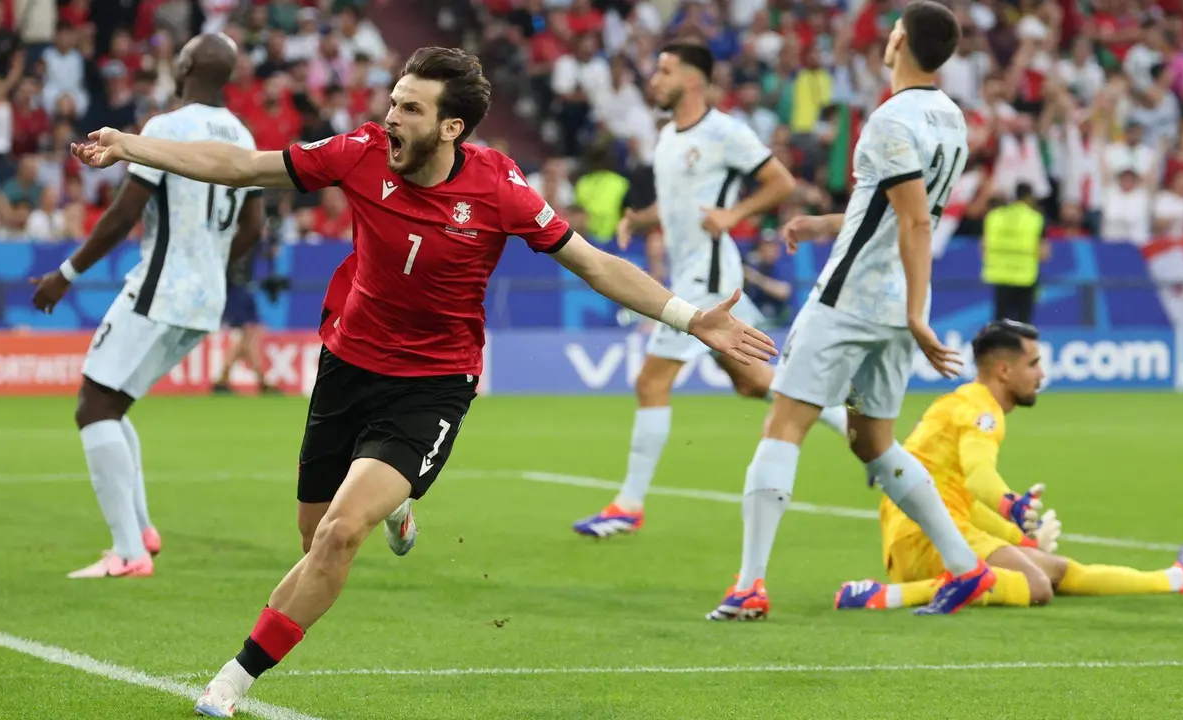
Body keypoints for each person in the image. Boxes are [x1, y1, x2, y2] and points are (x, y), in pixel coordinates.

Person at [70, 46, 775, 717]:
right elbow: (242, 165)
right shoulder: (360, 153)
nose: (390, 118)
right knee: (313, 534)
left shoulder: (499, 187)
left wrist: (691, 319)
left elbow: (593, 263)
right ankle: (399, 505)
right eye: (393, 102)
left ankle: (232, 678)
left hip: (433, 384)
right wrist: (134, 145)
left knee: (342, 534)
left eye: (409, 108)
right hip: (348, 367)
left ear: (451, 126)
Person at [705, 1, 997, 621]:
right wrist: (826, 224)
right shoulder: (952, 119)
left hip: (851, 300)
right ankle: (968, 569)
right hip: (891, 307)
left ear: (900, 42)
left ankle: (749, 584)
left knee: (784, 424)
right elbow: (899, 213)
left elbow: (916, 220)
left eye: (893, 29)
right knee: (874, 442)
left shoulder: (890, 119)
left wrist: (921, 315)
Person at [572, 42, 844, 539]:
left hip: (711, 277)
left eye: (665, 70)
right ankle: (853, 426)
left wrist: (735, 216)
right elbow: (680, 205)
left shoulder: (724, 131)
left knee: (651, 382)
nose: (654, 79)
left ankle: (629, 505)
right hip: (695, 271)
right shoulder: (670, 136)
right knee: (752, 381)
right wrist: (642, 217)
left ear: (693, 79)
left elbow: (780, 181)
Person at [30, 34, 264, 580]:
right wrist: (210, 263)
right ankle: (141, 533)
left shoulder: (165, 128)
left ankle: (128, 551)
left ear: (183, 65)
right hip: (207, 296)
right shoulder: (243, 135)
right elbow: (253, 226)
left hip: (161, 287)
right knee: (113, 402)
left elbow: (122, 213)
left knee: (93, 407)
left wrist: (66, 275)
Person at [835, 321, 1183, 611]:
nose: (1042, 374)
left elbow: (958, 497)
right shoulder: (981, 411)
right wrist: (1011, 505)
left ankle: (1179, 578)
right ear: (1004, 370)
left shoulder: (960, 402)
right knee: (1036, 586)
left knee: (1058, 569)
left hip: (923, 533)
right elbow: (979, 477)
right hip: (922, 540)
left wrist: (1020, 538)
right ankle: (886, 596)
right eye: (1033, 364)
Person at [212, 237, 275, 394]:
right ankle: (260, 380)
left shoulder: (245, 234)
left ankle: (224, 379)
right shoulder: (241, 232)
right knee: (248, 331)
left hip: (243, 287)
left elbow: (266, 251)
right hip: (235, 288)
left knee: (248, 334)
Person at [981, 181, 1047, 324]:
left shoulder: (995, 216)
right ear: (1029, 197)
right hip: (1025, 277)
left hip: (1000, 275)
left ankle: (998, 346)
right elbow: (1043, 253)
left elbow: (984, 246)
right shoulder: (1035, 218)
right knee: (1024, 324)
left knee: (1000, 323)